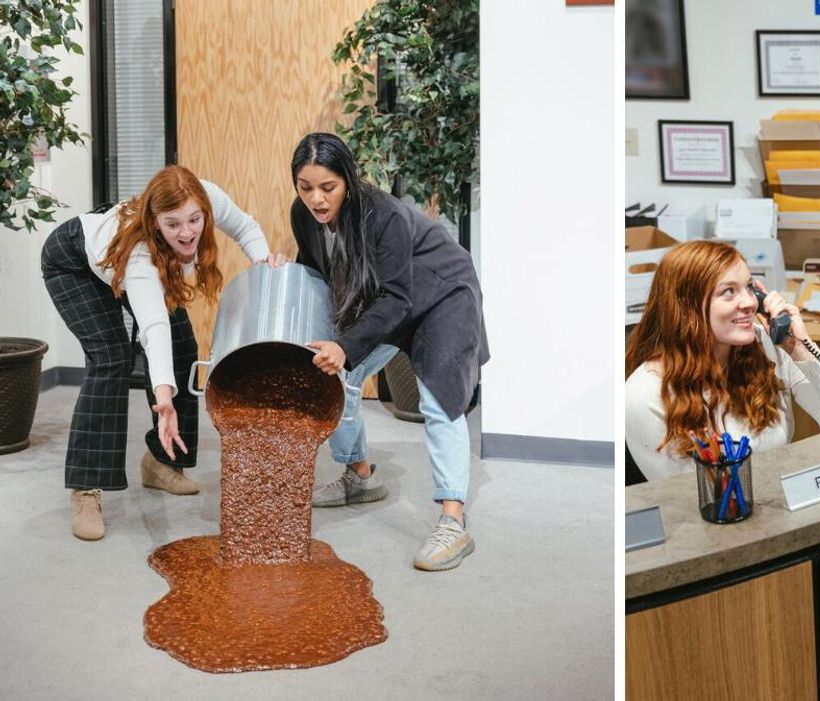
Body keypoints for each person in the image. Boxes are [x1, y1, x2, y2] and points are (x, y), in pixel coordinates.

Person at [41, 165, 285, 541]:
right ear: (155, 222)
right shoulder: (140, 256)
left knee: (185, 351)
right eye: (173, 224)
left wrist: (264, 264)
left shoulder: (206, 196)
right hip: (73, 262)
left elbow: (246, 227)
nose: (187, 233)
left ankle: (160, 462)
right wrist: (163, 400)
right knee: (111, 357)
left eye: (194, 220)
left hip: (118, 258)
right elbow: (153, 328)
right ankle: (86, 489)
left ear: (203, 208)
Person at [289, 132, 489, 572]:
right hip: (382, 298)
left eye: (328, 188)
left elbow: (400, 298)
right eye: (306, 188)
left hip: (440, 294)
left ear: (348, 180)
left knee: (439, 401)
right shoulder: (303, 217)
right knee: (332, 375)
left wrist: (346, 345)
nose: (317, 199)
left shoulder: (384, 215)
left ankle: (453, 522)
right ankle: (359, 476)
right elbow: (313, 272)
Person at [624, 240, 820, 480]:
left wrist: (801, 348)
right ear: (687, 307)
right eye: (728, 291)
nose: (751, 302)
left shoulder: (765, 345)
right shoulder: (644, 394)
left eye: (749, 287)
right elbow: (688, 499)